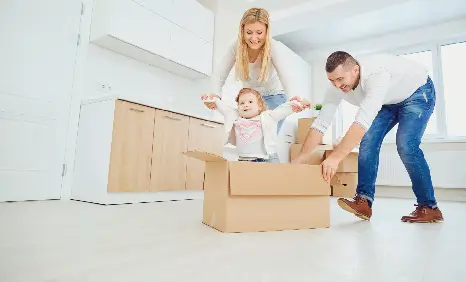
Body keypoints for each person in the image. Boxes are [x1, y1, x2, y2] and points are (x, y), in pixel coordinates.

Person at [291, 51, 443, 223]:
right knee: (368, 141)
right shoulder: (336, 85)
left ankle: (429, 207)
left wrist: (335, 159)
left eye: (340, 79)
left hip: (417, 92)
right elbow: (321, 123)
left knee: (406, 145)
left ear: (355, 70)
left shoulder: (376, 75)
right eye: (332, 80)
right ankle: (364, 201)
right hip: (389, 100)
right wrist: (302, 157)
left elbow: (362, 122)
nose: (336, 85)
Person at [203, 7, 308, 133]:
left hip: (274, 97)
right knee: (248, 138)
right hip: (250, 99)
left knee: (265, 140)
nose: (253, 38)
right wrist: (214, 95)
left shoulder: (273, 47)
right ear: (242, 30)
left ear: (266, 32)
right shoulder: (236, 46)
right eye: (249, 32)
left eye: (259, 33)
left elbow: (286, 75)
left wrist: (293, 98)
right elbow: (219, 74)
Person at [202, 88, 310, 162]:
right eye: (242, 103)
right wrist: (209, 98)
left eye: (250, 102)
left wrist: (299, 103)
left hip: (266, 160)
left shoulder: (268, 116)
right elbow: (220, 105)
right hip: (243, 160)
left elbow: (283, 110)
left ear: (259, 106)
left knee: (273, 186)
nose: (246, 105)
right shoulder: (235, 116)